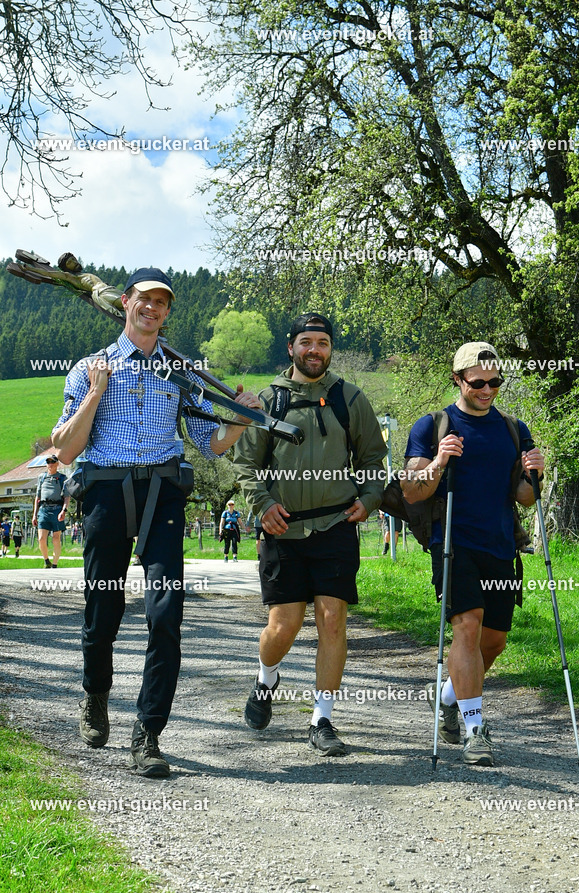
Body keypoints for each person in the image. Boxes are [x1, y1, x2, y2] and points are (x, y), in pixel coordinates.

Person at [52, 266, 261, 778]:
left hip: (164, 495)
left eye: (161, 302)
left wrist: (238, 419)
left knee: (166, 615)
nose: (152, 308)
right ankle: (95, 694)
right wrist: (97, 394)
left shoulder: (180, 372)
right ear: (125, 302)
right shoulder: (88, 367)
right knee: (103, 610)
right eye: (144, 299)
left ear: (167, 312)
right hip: (105, 492)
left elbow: (210, 445)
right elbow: (64, 447)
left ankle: (148, 733)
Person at [234, 312, 387, 756]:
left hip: (336, 526)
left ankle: (322, 720)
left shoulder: (349, 399)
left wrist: (371, 497)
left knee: (332, 619)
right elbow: (245, 466)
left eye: (322, 342)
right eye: (306, 342)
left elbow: (374, 458)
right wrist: (263, 506)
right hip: (283, 528)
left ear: (330, 349)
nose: (314, 350)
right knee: (283, 627)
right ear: (291, 348)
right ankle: (266, 678)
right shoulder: (268, 400)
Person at [402, 343, 544, 767]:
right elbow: (411, 489)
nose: (487, 389)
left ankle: (447, 695)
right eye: (478, 382)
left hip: (500, 547)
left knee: (493, 641)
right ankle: (475, 730)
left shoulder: (514, 429)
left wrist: (536, 472)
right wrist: (439, 461)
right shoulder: (431, 426)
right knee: (468, 625)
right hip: (452, 544)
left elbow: (524, 499)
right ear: (458, 379)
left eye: (495, 381)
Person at [32, 455, 69, 568]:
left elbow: (67, 497)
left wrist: (64, 510)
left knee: (56, 538)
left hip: (57, 509)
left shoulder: (63, 478)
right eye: (48, 462)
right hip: (43, 509)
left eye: (52, 461)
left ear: (57, 464)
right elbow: (37, 497)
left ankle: (54, 564)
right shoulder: (41, 477)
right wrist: (34, 515)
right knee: (41, 538)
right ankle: (46, 560)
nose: (50, 464)